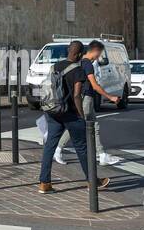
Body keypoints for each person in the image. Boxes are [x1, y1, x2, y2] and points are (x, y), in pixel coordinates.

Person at [38, 40, 111, 193]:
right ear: (78, 54)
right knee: (82, 148)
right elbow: (77, 95)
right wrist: (81, 115)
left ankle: (44, 183)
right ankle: (92, 181)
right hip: (70, 113)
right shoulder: (77, 70)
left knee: (49, 146)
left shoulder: (56, 66)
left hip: (53, 111)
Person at [55, 40, 122, 167]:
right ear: (95, 51)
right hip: (86, 98)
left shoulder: (80, 62)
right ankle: (58, 149)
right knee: (77, 125)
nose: (99, 57)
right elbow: (94, 85)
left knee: (94, 126)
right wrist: (110, 97)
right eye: (99, 53)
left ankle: (101, 155)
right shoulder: (88, 65)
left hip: (86, 98)